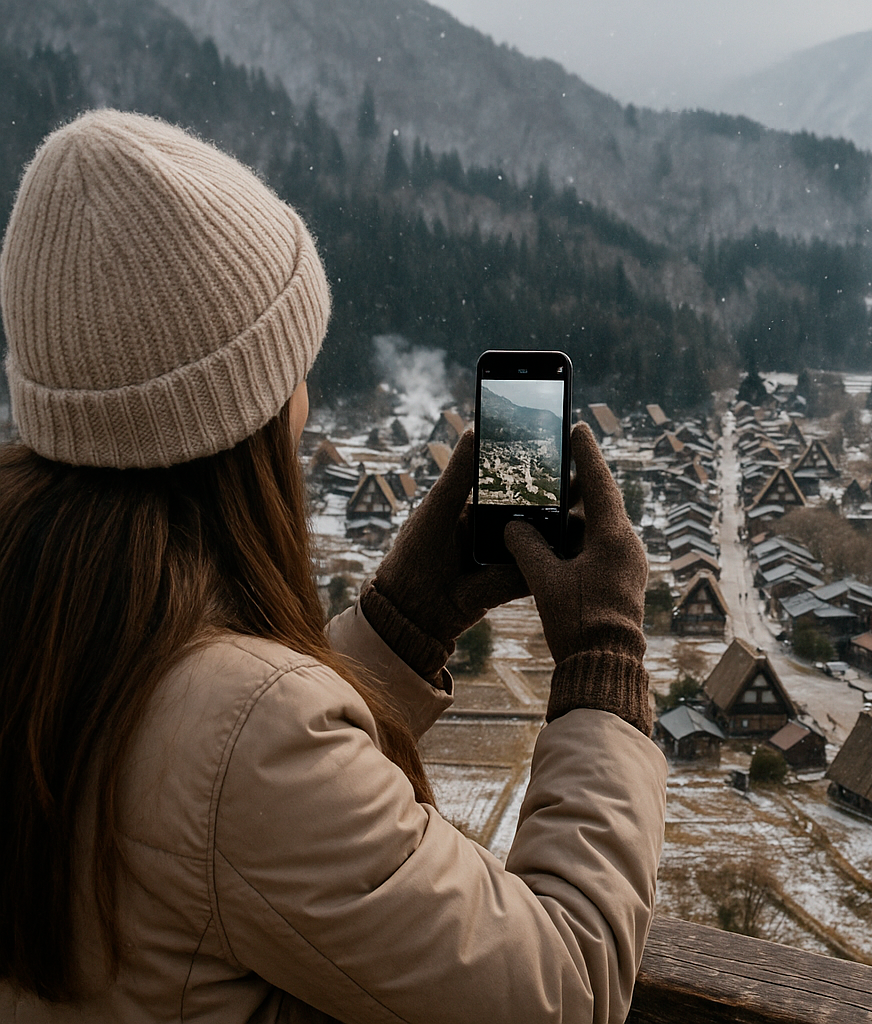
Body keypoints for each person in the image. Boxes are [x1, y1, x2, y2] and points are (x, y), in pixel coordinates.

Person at [0, 110, 665, 1023]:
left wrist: (399, 625)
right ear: (246, 413)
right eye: (295, 366)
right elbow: (565, 987)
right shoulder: (245, 739)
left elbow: (201, 797)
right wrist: (605, 663)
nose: (305, 399)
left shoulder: (46, 624)